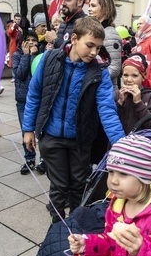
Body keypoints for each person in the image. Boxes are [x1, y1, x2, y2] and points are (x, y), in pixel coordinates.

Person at [22, 17, 125, 222]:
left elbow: (107, 110)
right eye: (90, 45)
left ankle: (77, 226)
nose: (94, 52)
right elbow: (34, 94)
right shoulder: (49, 59)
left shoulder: (99, 72)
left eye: (98, 47)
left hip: (80, 140)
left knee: (79, 185)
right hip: (51, 136)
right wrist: (28, 129)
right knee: (59, 186)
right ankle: (57, 228)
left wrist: (121, 144)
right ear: (75, 39)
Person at [13, 31, 47, 175]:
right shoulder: (17, 55)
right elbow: (20, 74)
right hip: (22, 99)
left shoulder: (42, 55)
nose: (32, 43)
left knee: (43, 130)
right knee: (26, 131)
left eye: (34, 40)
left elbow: (38, 74)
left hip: (39, 98)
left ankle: (44, 160)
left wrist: (33, 55)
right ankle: (29, 159)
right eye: (29, 40)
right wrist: (26, 55)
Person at [114, 53, 151, 134]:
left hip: (138, 144)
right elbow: (109, 119)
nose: (129, 80)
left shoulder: (150, 97)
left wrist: (138, 102)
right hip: (118, 142)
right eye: (125, 75)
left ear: (143, 77)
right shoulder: (116, 94)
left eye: (134, 76)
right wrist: (120, 103)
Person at [88, 0, 123, 89]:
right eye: (89, 5)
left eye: (93, 6)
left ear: (105, 9)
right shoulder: (95, 31)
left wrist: (90, 75)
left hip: (105, 90)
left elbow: (114, 69)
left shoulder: (110, 34)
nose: (89, 9)